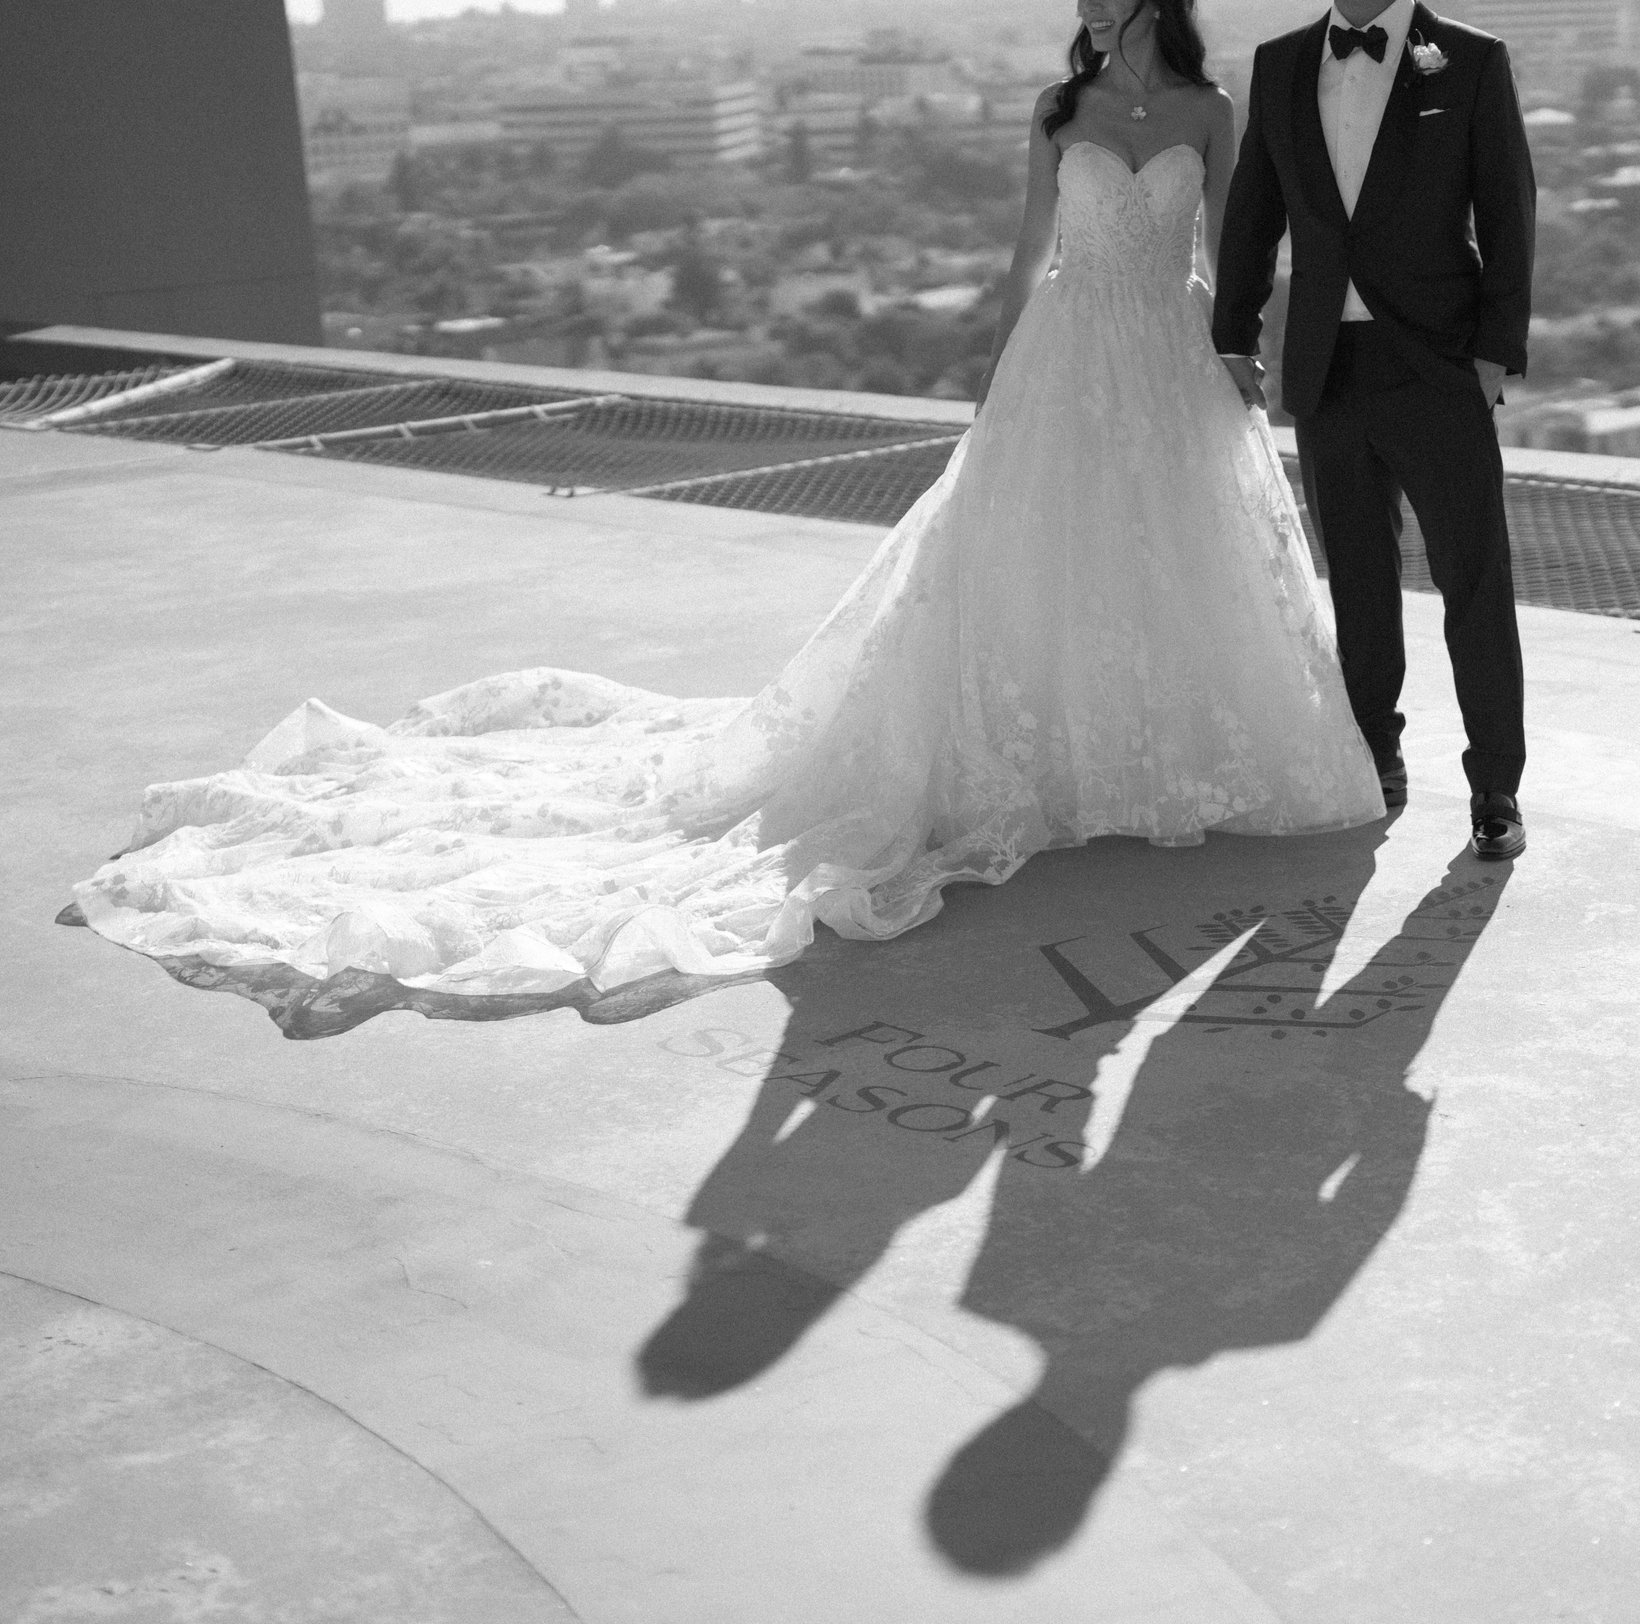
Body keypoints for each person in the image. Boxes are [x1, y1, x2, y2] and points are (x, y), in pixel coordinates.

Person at [63, 0, 1387, 1031]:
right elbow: (1024, 251)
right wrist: (995, 394)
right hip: (1063, 358)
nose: (1086, 3)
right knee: (1041, 569)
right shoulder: (1060, 108)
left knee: (1175, 569)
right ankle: (1068, 765)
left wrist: (1239, 354)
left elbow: (1240, 251)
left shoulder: (1216, 112)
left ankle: (1155, 763)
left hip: (1170, 362)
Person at [1212, 0, 1535, 861]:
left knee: (1473, 576)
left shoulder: (1471, 58)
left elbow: (1509, 204)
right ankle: (1375, 755)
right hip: (1326, 363)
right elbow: (1254, 208)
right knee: (1357, 575)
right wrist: (1232, 332)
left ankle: (1494, 786)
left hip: (1440, 362)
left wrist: (1497, 349)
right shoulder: (1280, 63)